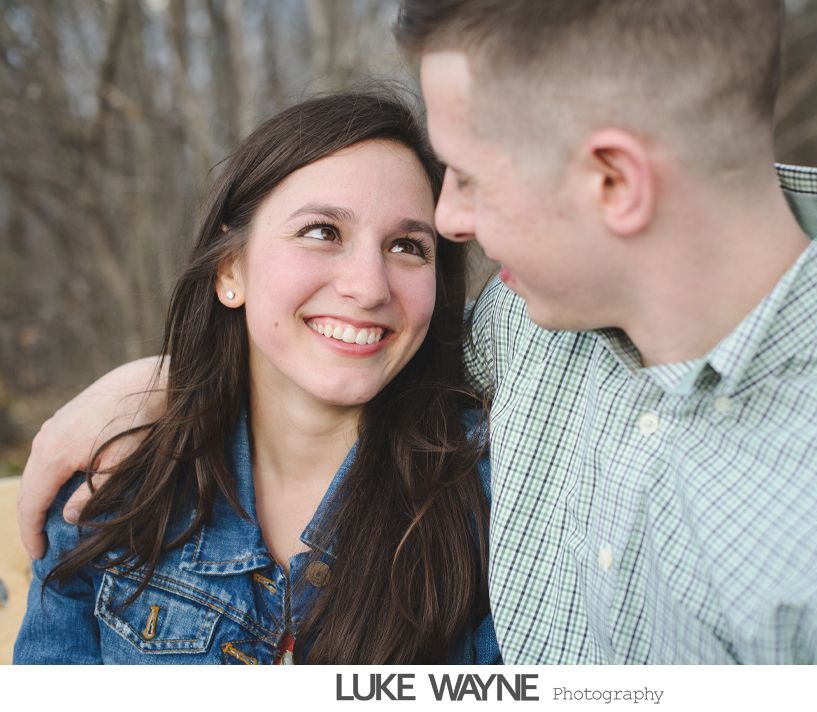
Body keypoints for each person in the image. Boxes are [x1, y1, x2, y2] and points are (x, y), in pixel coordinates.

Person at [20, 1, 817, 663]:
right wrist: (161, 387)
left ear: (613, 182)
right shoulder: (530, 326)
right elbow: (335, 359)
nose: (451, 222)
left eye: (467, 175)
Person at [14, 90, 499, 664]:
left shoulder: (494, 501)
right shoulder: (113, 489)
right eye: (322, 231)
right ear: (230, 268)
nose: (370, 287)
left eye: (406, 246)